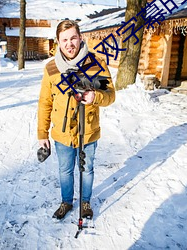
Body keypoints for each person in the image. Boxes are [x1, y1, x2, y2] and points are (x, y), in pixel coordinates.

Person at [37, 20, 115, 220]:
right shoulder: (52, 68)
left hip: (88, 130)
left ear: (81, 38)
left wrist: (95, 97)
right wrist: (42, 134)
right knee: (65, 170)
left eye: (73, 38)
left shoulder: (96, 62)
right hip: (62, 133)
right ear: (58, 42)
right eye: (64, 40)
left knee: (87, 168)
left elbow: (110, 95)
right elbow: (45, 102)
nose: (69, 43)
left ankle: (86, 202)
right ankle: (66, 202)